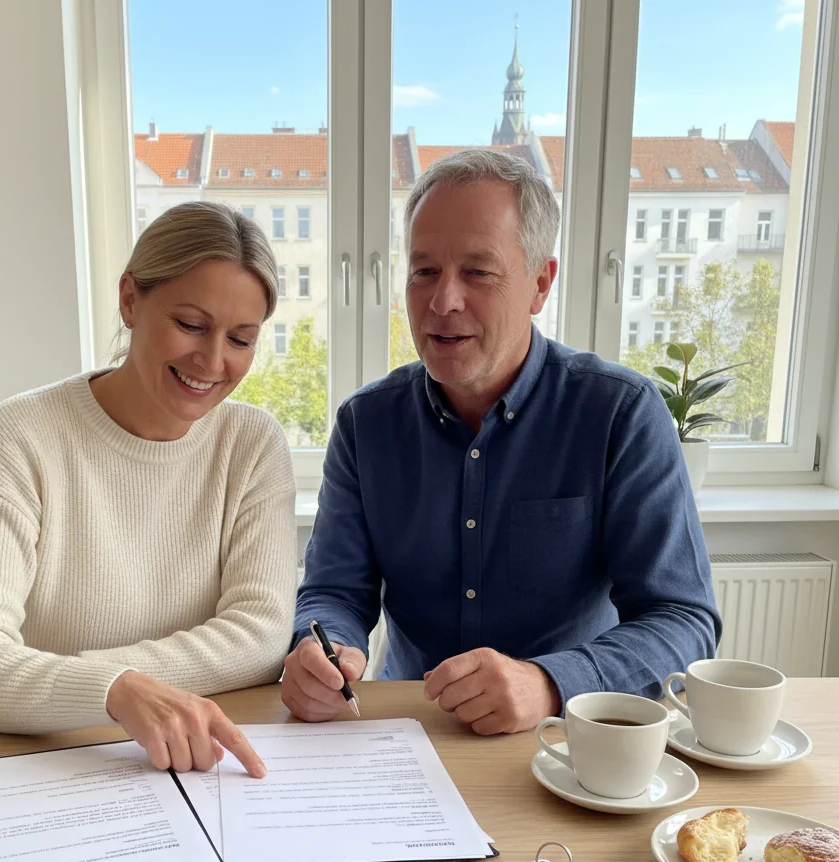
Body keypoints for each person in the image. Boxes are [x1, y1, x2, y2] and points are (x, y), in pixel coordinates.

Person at [282, 150, 721, 733]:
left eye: (478, 272)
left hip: (567, 736)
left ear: (540, 284)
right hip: (407, 731)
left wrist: (550, 682)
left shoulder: (619, 412)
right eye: (424, 271)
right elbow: (334, 591)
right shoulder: (367, 424)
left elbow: (683, 619)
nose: (443, 301)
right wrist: (325, 649)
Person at [0, 202, 297, 776]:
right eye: (190, 325)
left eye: (241, 339)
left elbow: (260, 638)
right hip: (44, 761)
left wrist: (78, 680)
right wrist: (113, 690)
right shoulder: (21, 435)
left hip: (195, 763)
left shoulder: (253, 444)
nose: (213, 361)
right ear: (129, 300)